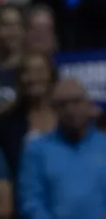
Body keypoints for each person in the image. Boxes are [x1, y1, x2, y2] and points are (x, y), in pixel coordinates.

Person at [17, 78, 106, 219]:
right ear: (54, 110)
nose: (70, 110)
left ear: (89, 105)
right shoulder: (36, 150)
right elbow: (31, 202)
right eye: (63, 105)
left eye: (76, 102)